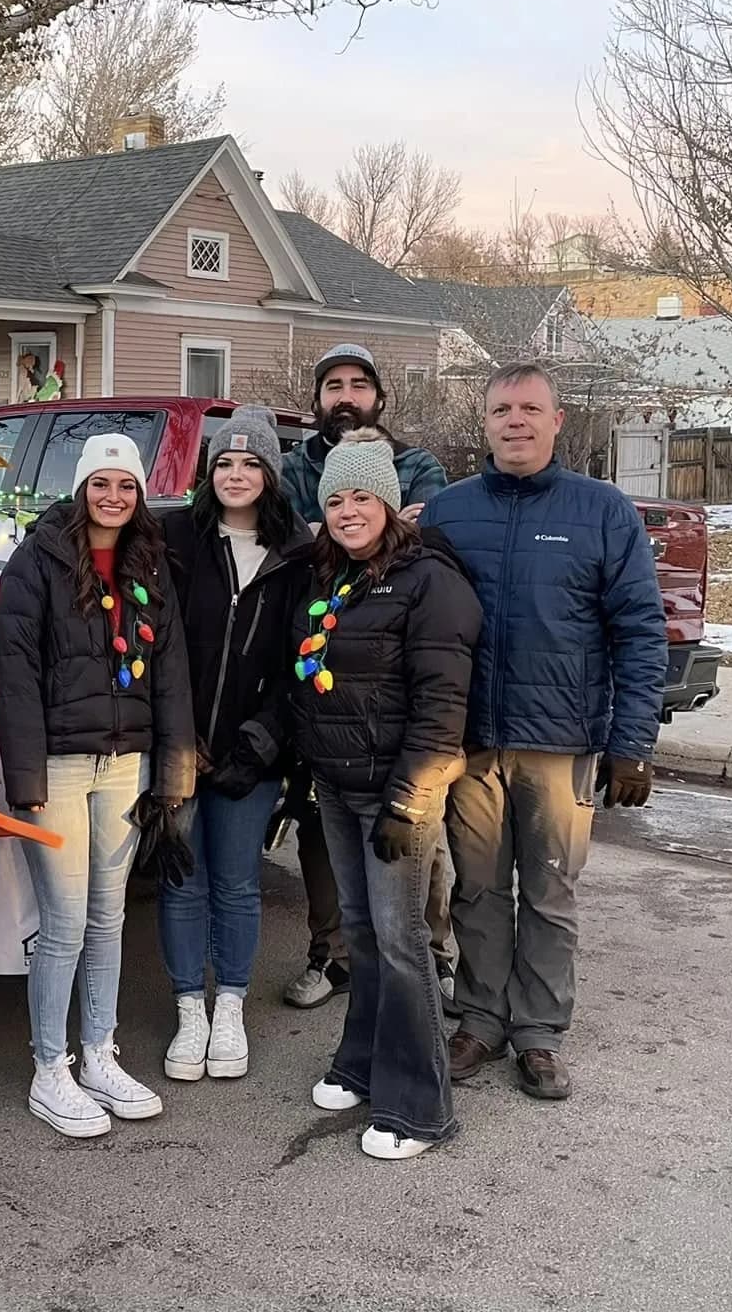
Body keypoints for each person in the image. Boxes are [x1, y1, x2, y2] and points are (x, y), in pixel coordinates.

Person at [418, 363, 667, 1102]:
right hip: (473, 743)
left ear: (559, 421)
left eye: (531, 408)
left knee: (551, 892)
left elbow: (640, 632)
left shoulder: (602, 511)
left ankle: (539, 1032)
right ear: (485, 423)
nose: (515, 421)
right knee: (479, 890)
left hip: (561, 741)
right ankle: (481, 1019)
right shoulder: (448, 514)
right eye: (502, 409)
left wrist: (633, 742)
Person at [0, 432, 194, 1138]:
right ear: (81, 489)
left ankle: (98, 1053)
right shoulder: (36, 562)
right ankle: (51, 1069)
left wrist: (173, 772)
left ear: (140, 496)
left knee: (110, 919)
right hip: (59, 767)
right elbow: (13, 674)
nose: (114, 497)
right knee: (66, 922)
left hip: (127, 765)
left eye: (127, 486)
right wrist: (27, 779)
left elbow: (170, 675)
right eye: (102, 484)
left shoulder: (150, 565)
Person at [283, 429, 479, 1159]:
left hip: (397, 796)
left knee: (403, 945)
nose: (346, 510)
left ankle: (419, 1103)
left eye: (362, 496)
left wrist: (408, 801)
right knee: (361, 936)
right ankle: (362, 1061)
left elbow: (441, 706)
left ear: (390, 502)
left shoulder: (429, 581)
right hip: (336, 786)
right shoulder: (332, 576)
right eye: (334, 499)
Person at [275, 345, 450, 1012]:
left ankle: (433, 959)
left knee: (412, 843)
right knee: (323, 831)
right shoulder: (294, 465)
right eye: (332, 386)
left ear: (379, 396)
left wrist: (337, 529)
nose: (345, 396)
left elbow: (419, 539)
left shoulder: (418, 464)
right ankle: (334, 955)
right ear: (317, 398)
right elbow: (294, 538)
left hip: (390, 674)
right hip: (321, 669)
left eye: (358, 385)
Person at [156, 406, 311, 1081]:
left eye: (251, 463)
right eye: (225, 462)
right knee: (183, 880)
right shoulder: (176, 538)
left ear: (271, 475)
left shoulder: (299, 555)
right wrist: (178, 738)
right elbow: (159, 645)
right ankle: (190, 1005)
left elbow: (306, 660)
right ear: (208, 472)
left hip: (254, 753)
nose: (237, 474)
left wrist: (259, 742)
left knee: (239, 883)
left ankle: (230, 1005)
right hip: (181, 748)